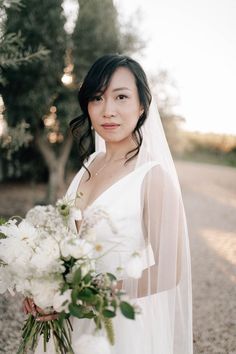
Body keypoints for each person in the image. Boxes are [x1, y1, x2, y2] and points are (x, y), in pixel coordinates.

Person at [26, 54, 193, 353]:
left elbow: (170, 270)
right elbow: (65, 241)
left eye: (121, 97)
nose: (108, 111)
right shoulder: (90, 164)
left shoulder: (152, 178)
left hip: (117, 329)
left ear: (142, 105)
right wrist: (43, 288)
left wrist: (86, 294)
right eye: (97, 98)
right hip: (65, 323)